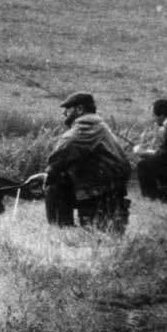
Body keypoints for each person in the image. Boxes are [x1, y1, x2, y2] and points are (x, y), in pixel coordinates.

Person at [42, 92, 132, 230]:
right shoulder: (98, 123)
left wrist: (47, 174)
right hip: (110, 186)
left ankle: (62, 230)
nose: (64, 113)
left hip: (100, 189)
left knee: (54, 186)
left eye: (67, 109)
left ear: (79, 109)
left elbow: (60, 154)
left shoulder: (86, 124)